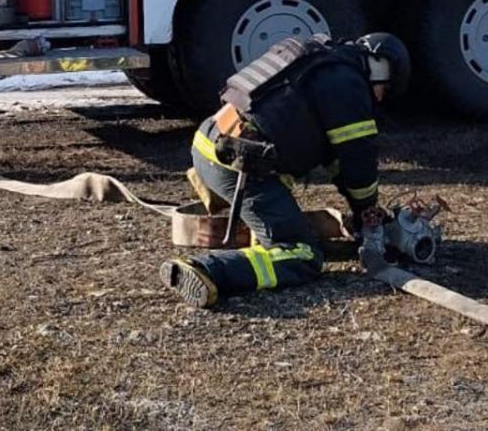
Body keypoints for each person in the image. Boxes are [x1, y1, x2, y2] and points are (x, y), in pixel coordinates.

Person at [161, 32, 411, 308]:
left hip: (211, 143)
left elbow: (336, 160)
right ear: (381, 67)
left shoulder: (321, 61)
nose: (380, 98)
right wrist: (367, 209)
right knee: (301, 255)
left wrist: (360, 212)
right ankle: (207, 270)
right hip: (241, 167)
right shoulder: (349, 84)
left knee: (281, 219)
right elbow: (358, 159)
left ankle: (231, 205)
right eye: (385, 89)